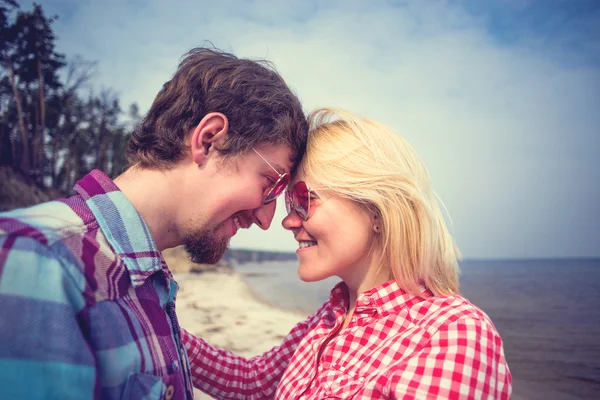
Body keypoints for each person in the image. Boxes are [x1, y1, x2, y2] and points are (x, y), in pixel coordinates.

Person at [0, 47, 308, 399]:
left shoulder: (144, 276)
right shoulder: (35, 257)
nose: (267, 219)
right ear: (209, 140)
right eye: (272, 184)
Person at [182, 108, 512, 399]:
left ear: (377, 212)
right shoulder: (329, 320)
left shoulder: (452, 334)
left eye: (304, 200)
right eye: (288, 205)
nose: (287, 220)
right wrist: (154, 319)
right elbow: (252, 383)